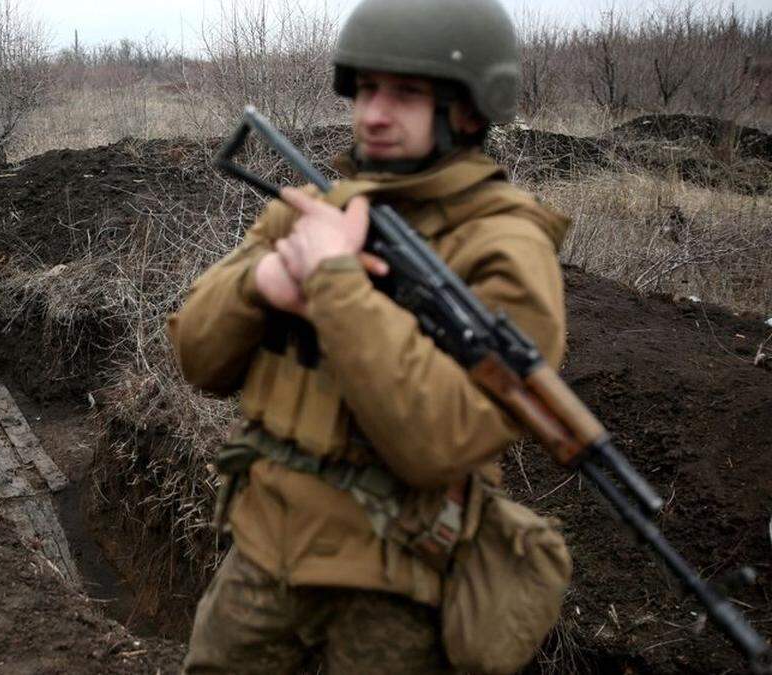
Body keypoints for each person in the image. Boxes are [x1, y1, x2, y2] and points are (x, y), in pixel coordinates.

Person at [168, 0, 571, 671]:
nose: (374, 112)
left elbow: (439, 442)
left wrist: (335, 282)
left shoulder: (506, 249)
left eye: (406, 93)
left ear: (470, 110)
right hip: (262, 553)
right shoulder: (318, 208)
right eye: (366, 89)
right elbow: (198, 357)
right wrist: (260, 283)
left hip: (395, 584)